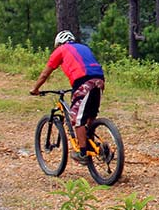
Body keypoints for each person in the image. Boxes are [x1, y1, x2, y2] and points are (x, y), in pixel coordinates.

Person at [30, 30, 105, 159]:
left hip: (83, 81)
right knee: (90, 114)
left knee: (77, 119)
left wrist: (35, 89)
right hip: (99, 79)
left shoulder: (60, 50)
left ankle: (82, 153)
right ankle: (89, 141)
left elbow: (44, 74)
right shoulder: (84, 47)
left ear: (58, 43)